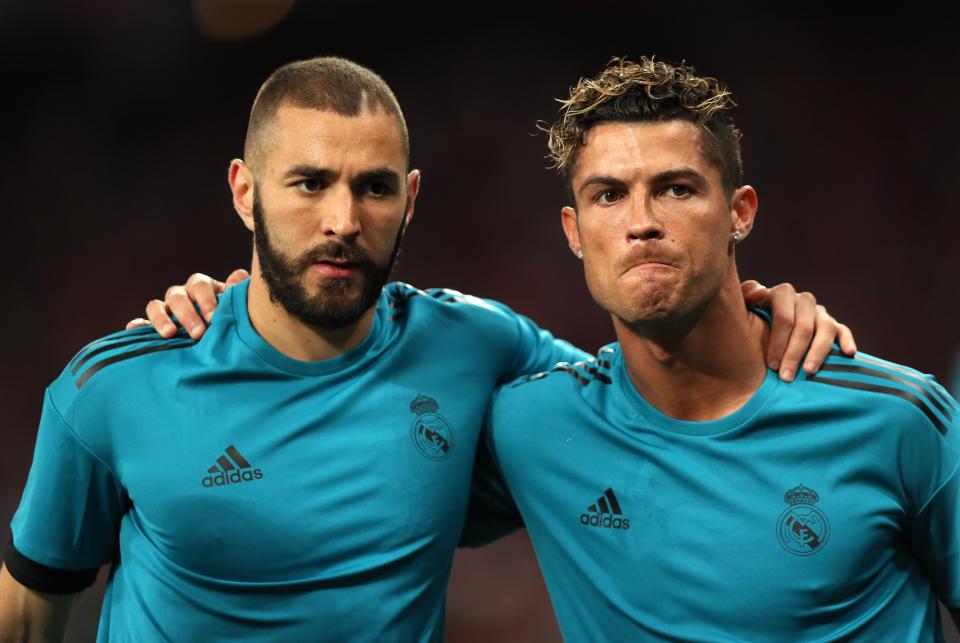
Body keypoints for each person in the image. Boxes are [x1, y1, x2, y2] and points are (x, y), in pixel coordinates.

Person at [0, 56, 852, 641]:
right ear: (244, 191)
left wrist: (766, 310)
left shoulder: (477, 347)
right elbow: (26, 614)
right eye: (308, 183)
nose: (342, 218)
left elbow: (644, 387)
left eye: (372, 187)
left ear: (409, 200)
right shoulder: (119, 383)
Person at [467, 57, 960, 640]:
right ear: (575, 232)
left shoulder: (899, 417)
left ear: (739, 212)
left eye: (677, 189)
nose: (642, 222)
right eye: (609, 196)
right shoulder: (532, 427)